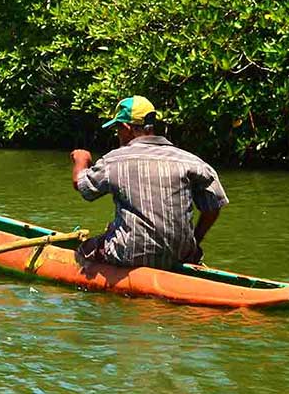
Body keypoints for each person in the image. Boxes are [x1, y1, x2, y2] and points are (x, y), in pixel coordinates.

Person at [69, 95, 228, 270]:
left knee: (86, 249)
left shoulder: (114, 160)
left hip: (129, 254)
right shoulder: (191, 161)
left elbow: (83, 187)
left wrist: (81, 159)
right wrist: (195, 241)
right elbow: (213, 206)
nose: (117, 134)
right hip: (182, 255)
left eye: (117, 129)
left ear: (126, 127)